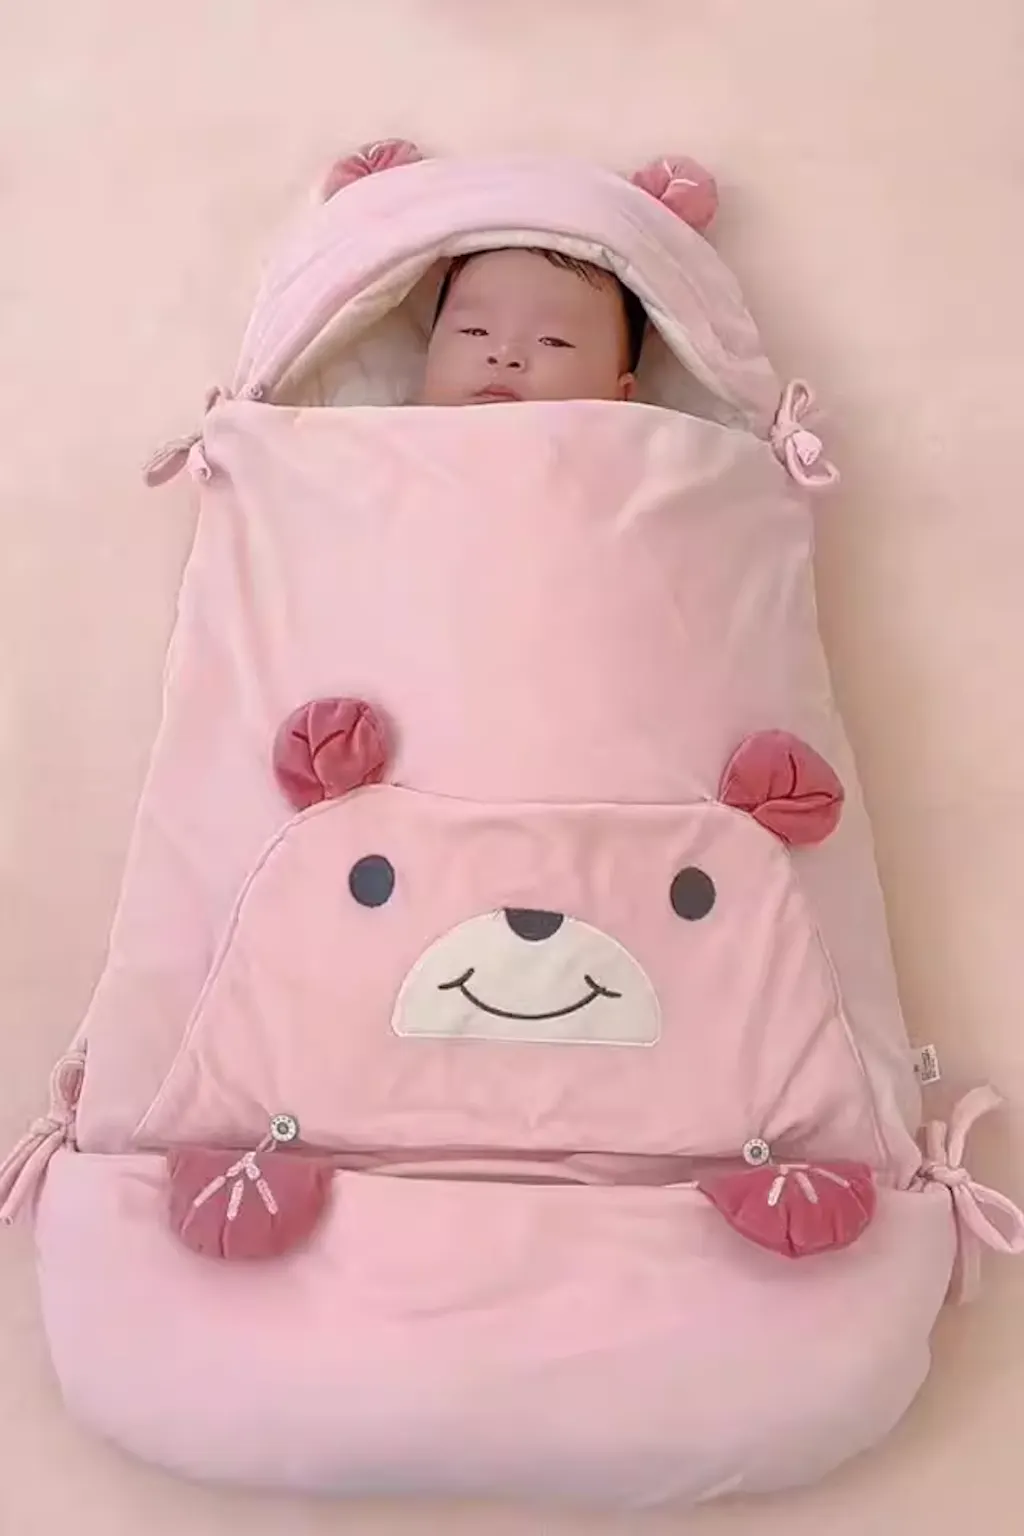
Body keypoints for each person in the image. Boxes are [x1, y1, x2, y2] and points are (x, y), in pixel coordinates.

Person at [418, 247, 646, 406]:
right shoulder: (400, 441)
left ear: (621, 396)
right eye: (474, 331)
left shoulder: (640, 457)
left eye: (552, 341)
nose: (505, 355)